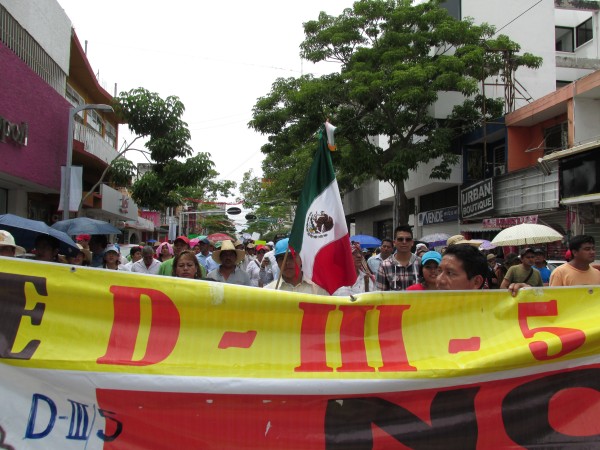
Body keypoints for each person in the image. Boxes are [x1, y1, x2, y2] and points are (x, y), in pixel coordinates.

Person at [265, 238, 329, 295]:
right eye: (281, 259)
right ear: (277, 263)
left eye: (292, 257)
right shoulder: (268, 292)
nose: (287, 262)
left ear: (301, 259)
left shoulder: (319, 290)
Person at [376, 225, 420, 291]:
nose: (404, 242)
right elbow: (380, 294)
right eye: (400, 239)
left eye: (408, 239)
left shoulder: (420, 263)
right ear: (394, 243)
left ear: (412, 242)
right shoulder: (384, 265)